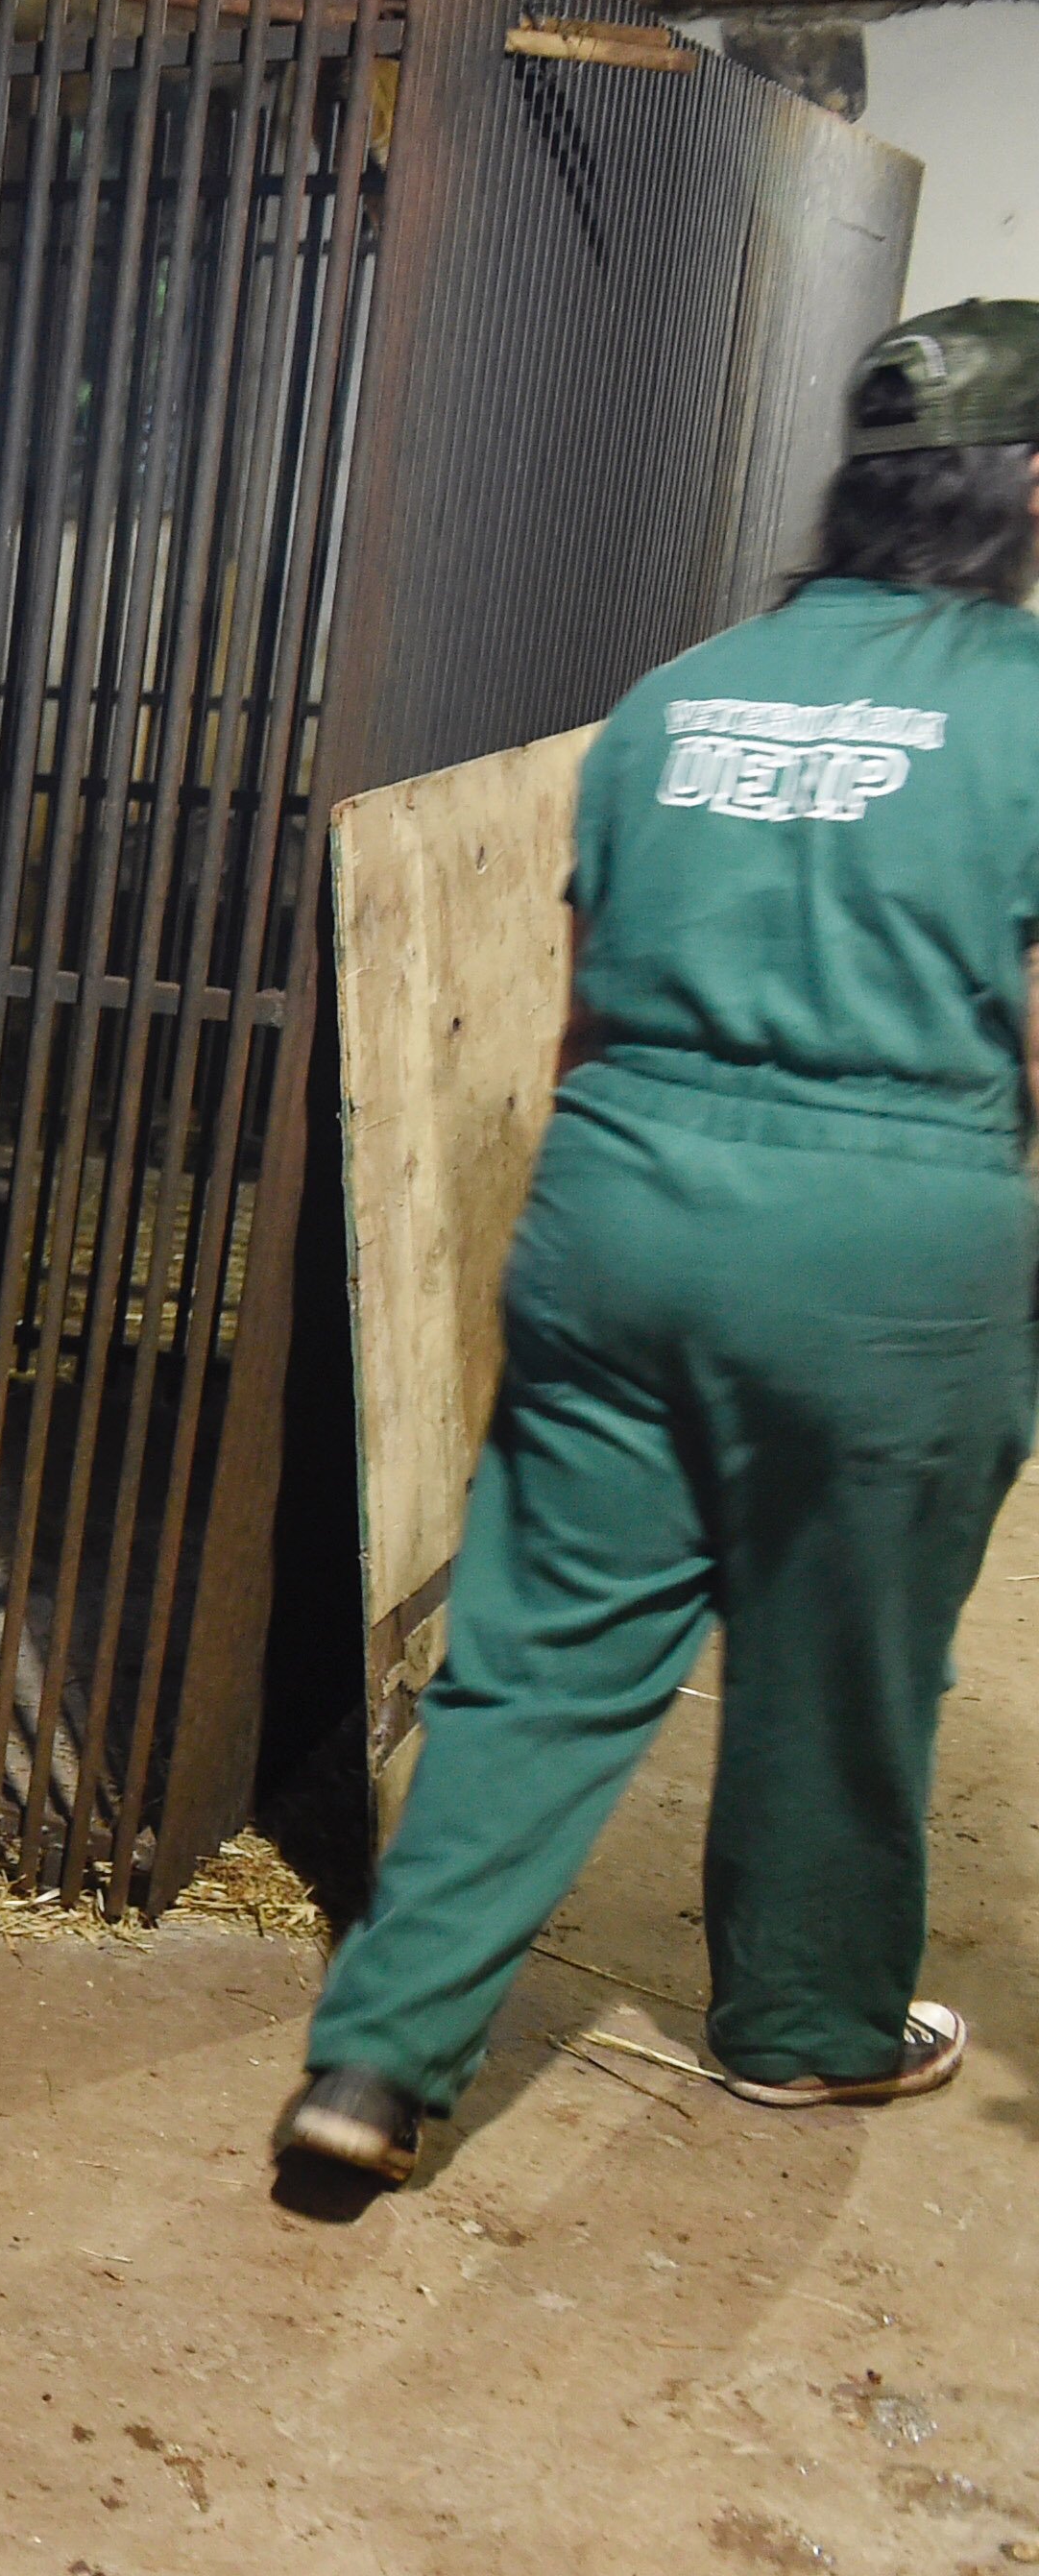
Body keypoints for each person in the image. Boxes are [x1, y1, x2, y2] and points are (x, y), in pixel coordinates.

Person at [275, 301, 1039, 2196]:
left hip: (617, 1204)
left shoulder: (678, 695)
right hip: (885, 1238)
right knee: (838, 1658)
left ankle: (375, 2056)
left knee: (536, 1652)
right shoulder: (1023, 701)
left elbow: (577, 1014)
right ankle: (804, 2025)